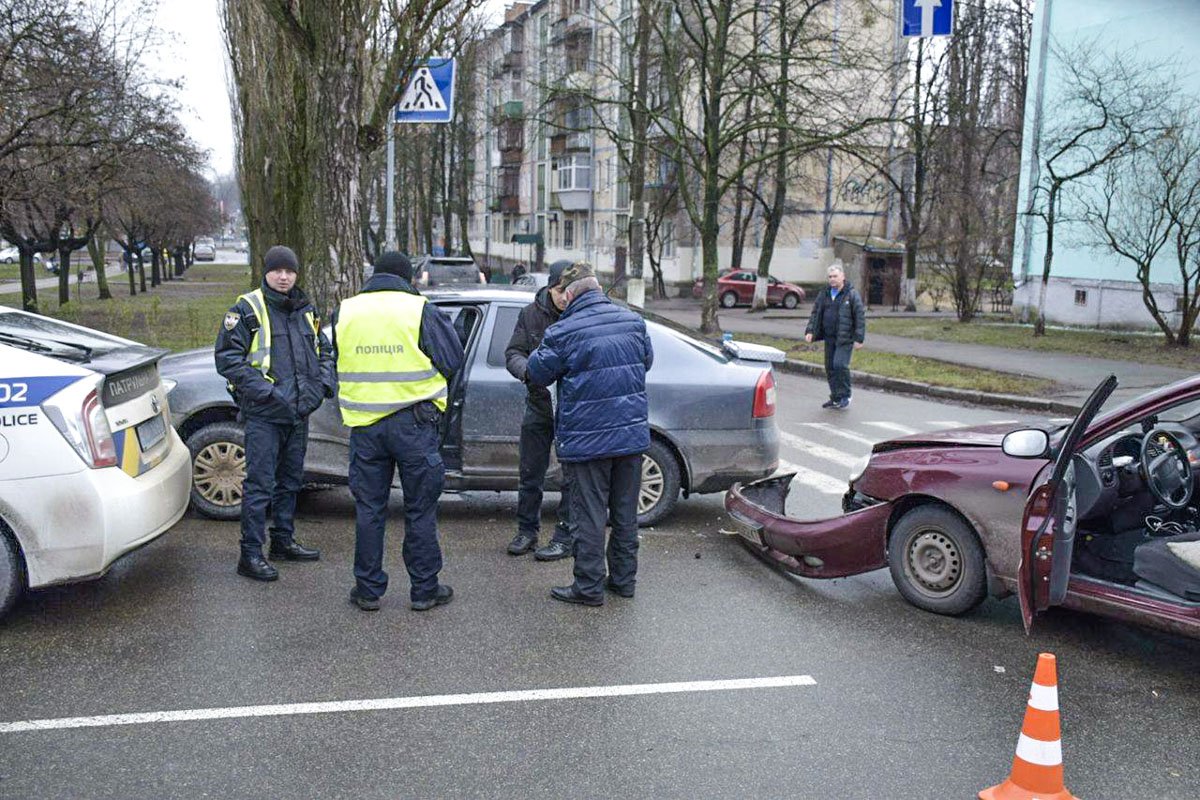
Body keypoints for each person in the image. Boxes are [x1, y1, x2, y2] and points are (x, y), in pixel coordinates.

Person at [331, 251, 464, 612]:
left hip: (365, 426)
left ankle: (368, 591)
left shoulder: (345, 311)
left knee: (369, 510)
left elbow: (332, 361)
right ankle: (424, 591)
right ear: (408, 277)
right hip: (413, 425)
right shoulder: (420, 310)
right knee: (420, 510)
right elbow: (452, 361)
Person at [526, 263, 654, 606]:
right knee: (625, 514)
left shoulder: (563, 331)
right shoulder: (632, 322)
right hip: (630, 437)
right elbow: (647, 362)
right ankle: (624, 581)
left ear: (568, 295)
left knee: (591, 515)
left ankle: (588, 587)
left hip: (587, 441)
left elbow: (537, 373)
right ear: (597, 289)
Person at [215, 245, 334, 581]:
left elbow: (324, 352)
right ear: (266, 272)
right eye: (278, 270)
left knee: (290, 482)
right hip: (264, 414)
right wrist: (269, 393)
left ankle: (282, 541)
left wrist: (320, 387)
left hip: (298, 413)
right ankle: (250, 554)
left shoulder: (305, 308)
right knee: (259, 486)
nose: (284, 277)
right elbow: (228, 359)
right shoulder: (247, 309)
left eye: (290, 271)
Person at [504, 259, 574, 561]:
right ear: (550, 286)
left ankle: (565, 536)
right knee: (530, 472)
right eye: (560, 290)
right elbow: (513, 352)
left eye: (569, 290)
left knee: (571, 476)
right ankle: (527, 531)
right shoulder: (530, 314)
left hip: (573, 410)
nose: (564, 296)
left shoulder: (579, 315)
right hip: (539, 404)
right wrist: (528, 372)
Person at [804, 263, 866, 410]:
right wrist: (810, 331)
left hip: (845, 338)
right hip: (829, 337)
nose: (832, 279)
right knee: (830, 367)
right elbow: (815, 313)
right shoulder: (824, 293)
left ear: (843, 277)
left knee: (840, 365)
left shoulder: (851, 294)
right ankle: (836, 397)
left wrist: (859, 338)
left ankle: (846, 395)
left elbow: (859, 317)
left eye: (835, 276)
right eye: (830, 277)